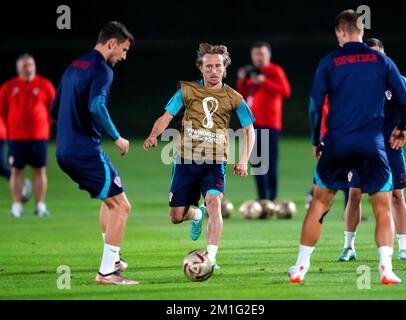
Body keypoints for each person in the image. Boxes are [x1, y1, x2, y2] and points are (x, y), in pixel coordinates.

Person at [288, 10, 406, 285]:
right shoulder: (382, 60)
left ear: (340, 33)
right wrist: (402, 128)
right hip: (373, 145)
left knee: (319, 203)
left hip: (337, 144)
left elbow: (314, 106)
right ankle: (386, 269)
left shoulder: (330, 61)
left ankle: (300, 267)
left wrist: (314, 140)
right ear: (362, 32)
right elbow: (403, 99)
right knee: (382, 207)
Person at [143, 43, 255, 269]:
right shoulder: (186, 91)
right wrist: (154, 135)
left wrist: (243, 159)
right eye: (208, 66)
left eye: (218, 66)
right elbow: (166, 116)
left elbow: (249, 129)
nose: (213, 71)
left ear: (225, 68)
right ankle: (196, 215)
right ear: (201, 68)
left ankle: (211, 258)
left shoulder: (234, 97)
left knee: (215, 203)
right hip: (185, 161)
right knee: (176, 216)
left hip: (215, 163)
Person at [50, 21, 137, 285]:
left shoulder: (74, 66)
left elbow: (54, 110)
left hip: (64, 151)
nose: (123, 57)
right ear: (111, 43)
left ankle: (114, 259)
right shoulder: (102, 69)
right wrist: (118, 137)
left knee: (109, 200)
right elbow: (97, 106)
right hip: (84, 151)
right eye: (123, 50)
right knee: (122, 207)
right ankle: (107, 273)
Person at [339, 38, 406, 262]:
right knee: (354, 194)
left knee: (396, 195)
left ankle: (403, 248)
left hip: (391, 148)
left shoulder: (400, 81)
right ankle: (348, 247)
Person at [0, 54, 53, 217]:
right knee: (16, 171)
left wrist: (44, 126)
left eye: (30, 65)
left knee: (40, 171)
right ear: (18, 68)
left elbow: (53, 109)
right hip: (16, 137)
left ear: (34, 66)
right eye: (24, 65)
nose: (28, 68)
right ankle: (17, 206)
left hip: (39, 137)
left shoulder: (44, 84)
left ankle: (40, 205)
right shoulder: (9, 86)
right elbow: (2, 112)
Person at [236, 42, 291, 201]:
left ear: (268, 55)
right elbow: (242, 98)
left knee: (271, 163)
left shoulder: (274, 70)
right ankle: (262, 198)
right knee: (257, 163)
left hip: (270, 123)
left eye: (262, 54)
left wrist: (264, 81)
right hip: (252, 125)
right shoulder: (252, 73)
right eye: (256, 54)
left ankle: (272, 199)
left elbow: (286, 91)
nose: (259, 57)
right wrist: (241, 81)